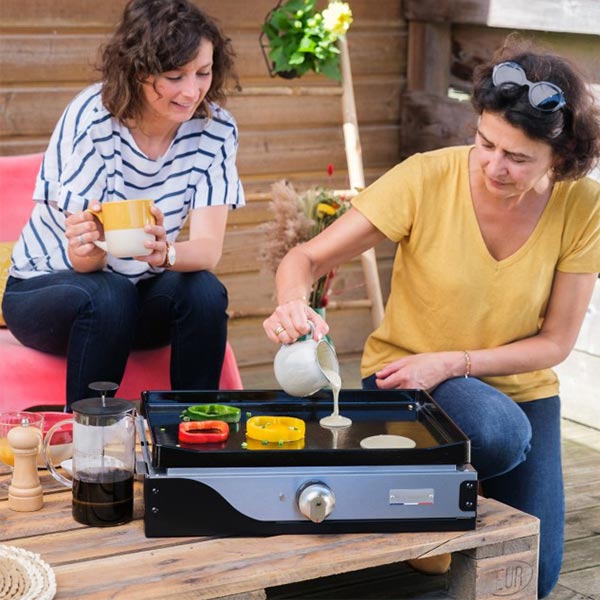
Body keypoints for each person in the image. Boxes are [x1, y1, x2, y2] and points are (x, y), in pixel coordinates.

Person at [263, 40, 600, 599]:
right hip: (408, 381)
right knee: (493, 432)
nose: (494, 165)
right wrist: (292, 303)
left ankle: (435, 513)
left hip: (518, 390)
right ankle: (434, 515)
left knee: (532, 577)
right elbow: (306, 258)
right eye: (485, 142)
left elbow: (556, 342)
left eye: (518, 158)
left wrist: (456, 361)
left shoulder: (583, 206)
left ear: (559, 161)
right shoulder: (427, 177)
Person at [2, 0, 244, 410]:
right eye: (174, 76)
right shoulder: (94, 117)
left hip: (136, 295)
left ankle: (192, 434)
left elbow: (207, 249)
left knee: (203, 290)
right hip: (48, 291)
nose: (192, 91)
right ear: (138, 70)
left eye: (203, 73)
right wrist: (89, 249)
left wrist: (162, 252)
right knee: (108, 293)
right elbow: (85, 264)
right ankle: (92, 441)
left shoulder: (215, 129)